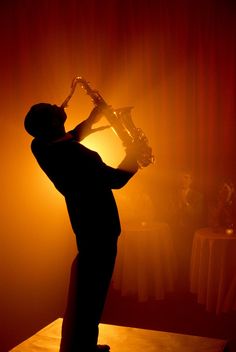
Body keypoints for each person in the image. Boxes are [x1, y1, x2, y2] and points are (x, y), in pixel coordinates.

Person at [24, 102, 139, 352]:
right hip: (101, 227)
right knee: (92, 294)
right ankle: (81, 349)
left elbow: (69, 137)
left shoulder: (40, 145)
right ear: (54, 123)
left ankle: (80, 345)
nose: (58, 103)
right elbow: (117, 180)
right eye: (52, 108)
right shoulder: (79, 156)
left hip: (84, 225)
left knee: (85, 289)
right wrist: (135, 154)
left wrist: (91, 119)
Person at [163, 169, 204, 291]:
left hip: (190, 232)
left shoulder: (198, 195)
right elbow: (168, 214)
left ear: (191, 180)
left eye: (186, 177)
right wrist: (177, 208)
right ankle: (177, 282)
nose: (183, 180)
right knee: (175, 256)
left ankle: (189, 283)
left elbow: (196, 215)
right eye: (181, 177)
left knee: (189, 258)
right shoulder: (170, 194)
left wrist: (185, 202)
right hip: (174, 230)